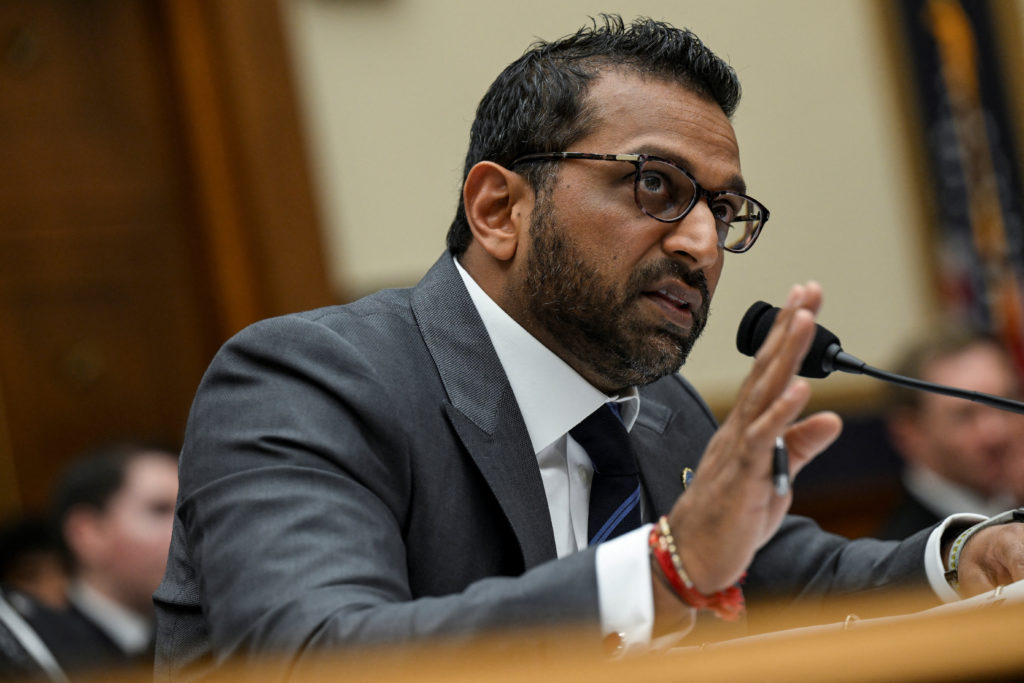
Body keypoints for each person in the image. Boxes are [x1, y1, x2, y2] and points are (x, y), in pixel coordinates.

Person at [154, 15, 1024, 680]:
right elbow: (316, 654)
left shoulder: (654, 409)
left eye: (722, 212)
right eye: (656, 185)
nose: (702, 245)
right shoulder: (308, 380)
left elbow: (770, 563)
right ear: (500, 209)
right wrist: (665, 571)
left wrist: (959, 557)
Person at [11, 443, 179, 676]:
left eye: (188, 510)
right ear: (88, 533)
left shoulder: (203, 638)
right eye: (159, 510)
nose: (189, 530)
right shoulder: (36, 654)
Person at [876, 331, 1022, 539]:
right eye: (965, 416)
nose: (997, 433)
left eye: (1006, 402)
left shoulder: (1013, 500)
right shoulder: (902, 557)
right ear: (909, 434)